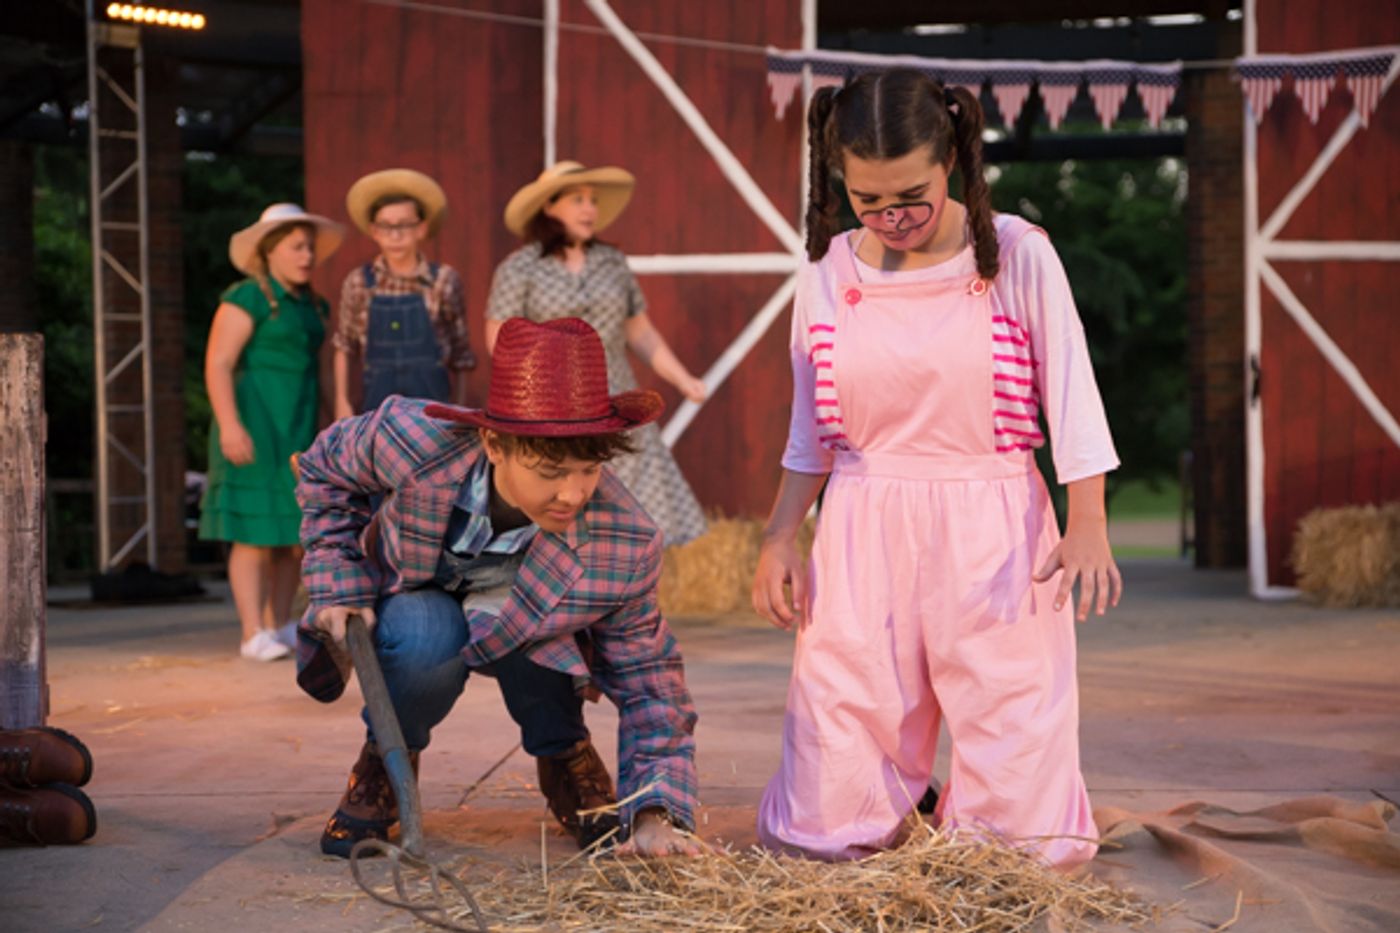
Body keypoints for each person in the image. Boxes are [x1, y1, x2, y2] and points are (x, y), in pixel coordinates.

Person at [751, 68, 1122, 870]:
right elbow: (809, 427)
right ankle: (859, 818)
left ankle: (998, 834)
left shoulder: (1020, 254)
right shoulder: (826, 271)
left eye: (910, 196)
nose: (893, 218)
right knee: (844, 708)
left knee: (1010, 710)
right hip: (860, 518)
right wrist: (781, 536)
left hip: (994, 520)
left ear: (952, 156)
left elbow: (1073, 394)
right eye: (868, 201)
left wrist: (1087, 517)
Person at [295, 317, 701, 859]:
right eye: (550, 469)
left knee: (549, 644)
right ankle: (387, 757)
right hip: (420, 600)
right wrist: (337, 580)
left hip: (526, 622)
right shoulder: (413, 440)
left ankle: (563, 753)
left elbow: (650, 682)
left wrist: (657, 811)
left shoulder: (625, 542)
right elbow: (322, 469)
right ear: (494, 442)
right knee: (423, 639)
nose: (573, 494)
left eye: (587, 470)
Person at [485, 161, 707, 547]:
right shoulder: (521, 267)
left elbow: (640, 331)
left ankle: (628, 582)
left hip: (616, 397)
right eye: (577, 200)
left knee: (635, 490)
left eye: (592, 201)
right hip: (554, 405)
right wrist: (530, 387)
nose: (590, 209)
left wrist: (683, 378)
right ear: (549, 207)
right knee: (563, 484)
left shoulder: (612, 263)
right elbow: (498, 337)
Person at [200, 203, 343, 661]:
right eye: (296, 247)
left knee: (294, 534)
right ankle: (251, 631)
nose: (307, 255)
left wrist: (331, 422)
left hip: (297, 424)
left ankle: (281, 624)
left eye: (309, 247)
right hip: (255, 423)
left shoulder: (313, 305)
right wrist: (230, 425)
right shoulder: (247, 297)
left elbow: (322, 371)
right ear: (270, 251)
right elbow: (218, 362)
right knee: (253, 533)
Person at [333, 169, 476, 419]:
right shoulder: (359, 282)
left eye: (404, 226)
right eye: (386, 227)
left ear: (421, 229)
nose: (395, 236)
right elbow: (345, 346)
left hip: (433, 410)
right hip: (376, 409)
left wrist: (460, 411)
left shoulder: (443, 280)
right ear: (374, 231)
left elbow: (461, 355)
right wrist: (342, 402)